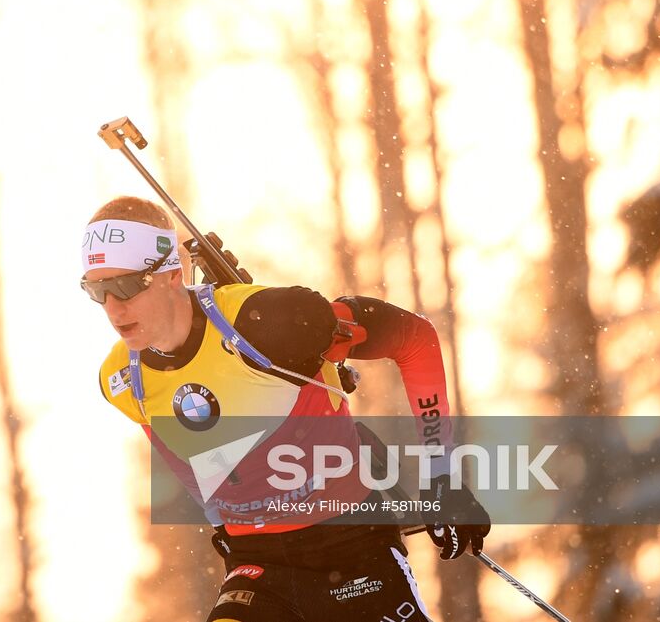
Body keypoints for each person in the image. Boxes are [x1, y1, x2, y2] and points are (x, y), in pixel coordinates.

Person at [83, 196, 491, 622]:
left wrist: (441, 475)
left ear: (169, 273)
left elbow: (414, 338)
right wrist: (223, 522)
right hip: (259, 568)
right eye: (97, 291)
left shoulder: (266, 323)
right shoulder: (122, 381)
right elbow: (193, 464)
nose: (113, 308)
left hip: (353, 552)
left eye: (126, 286)